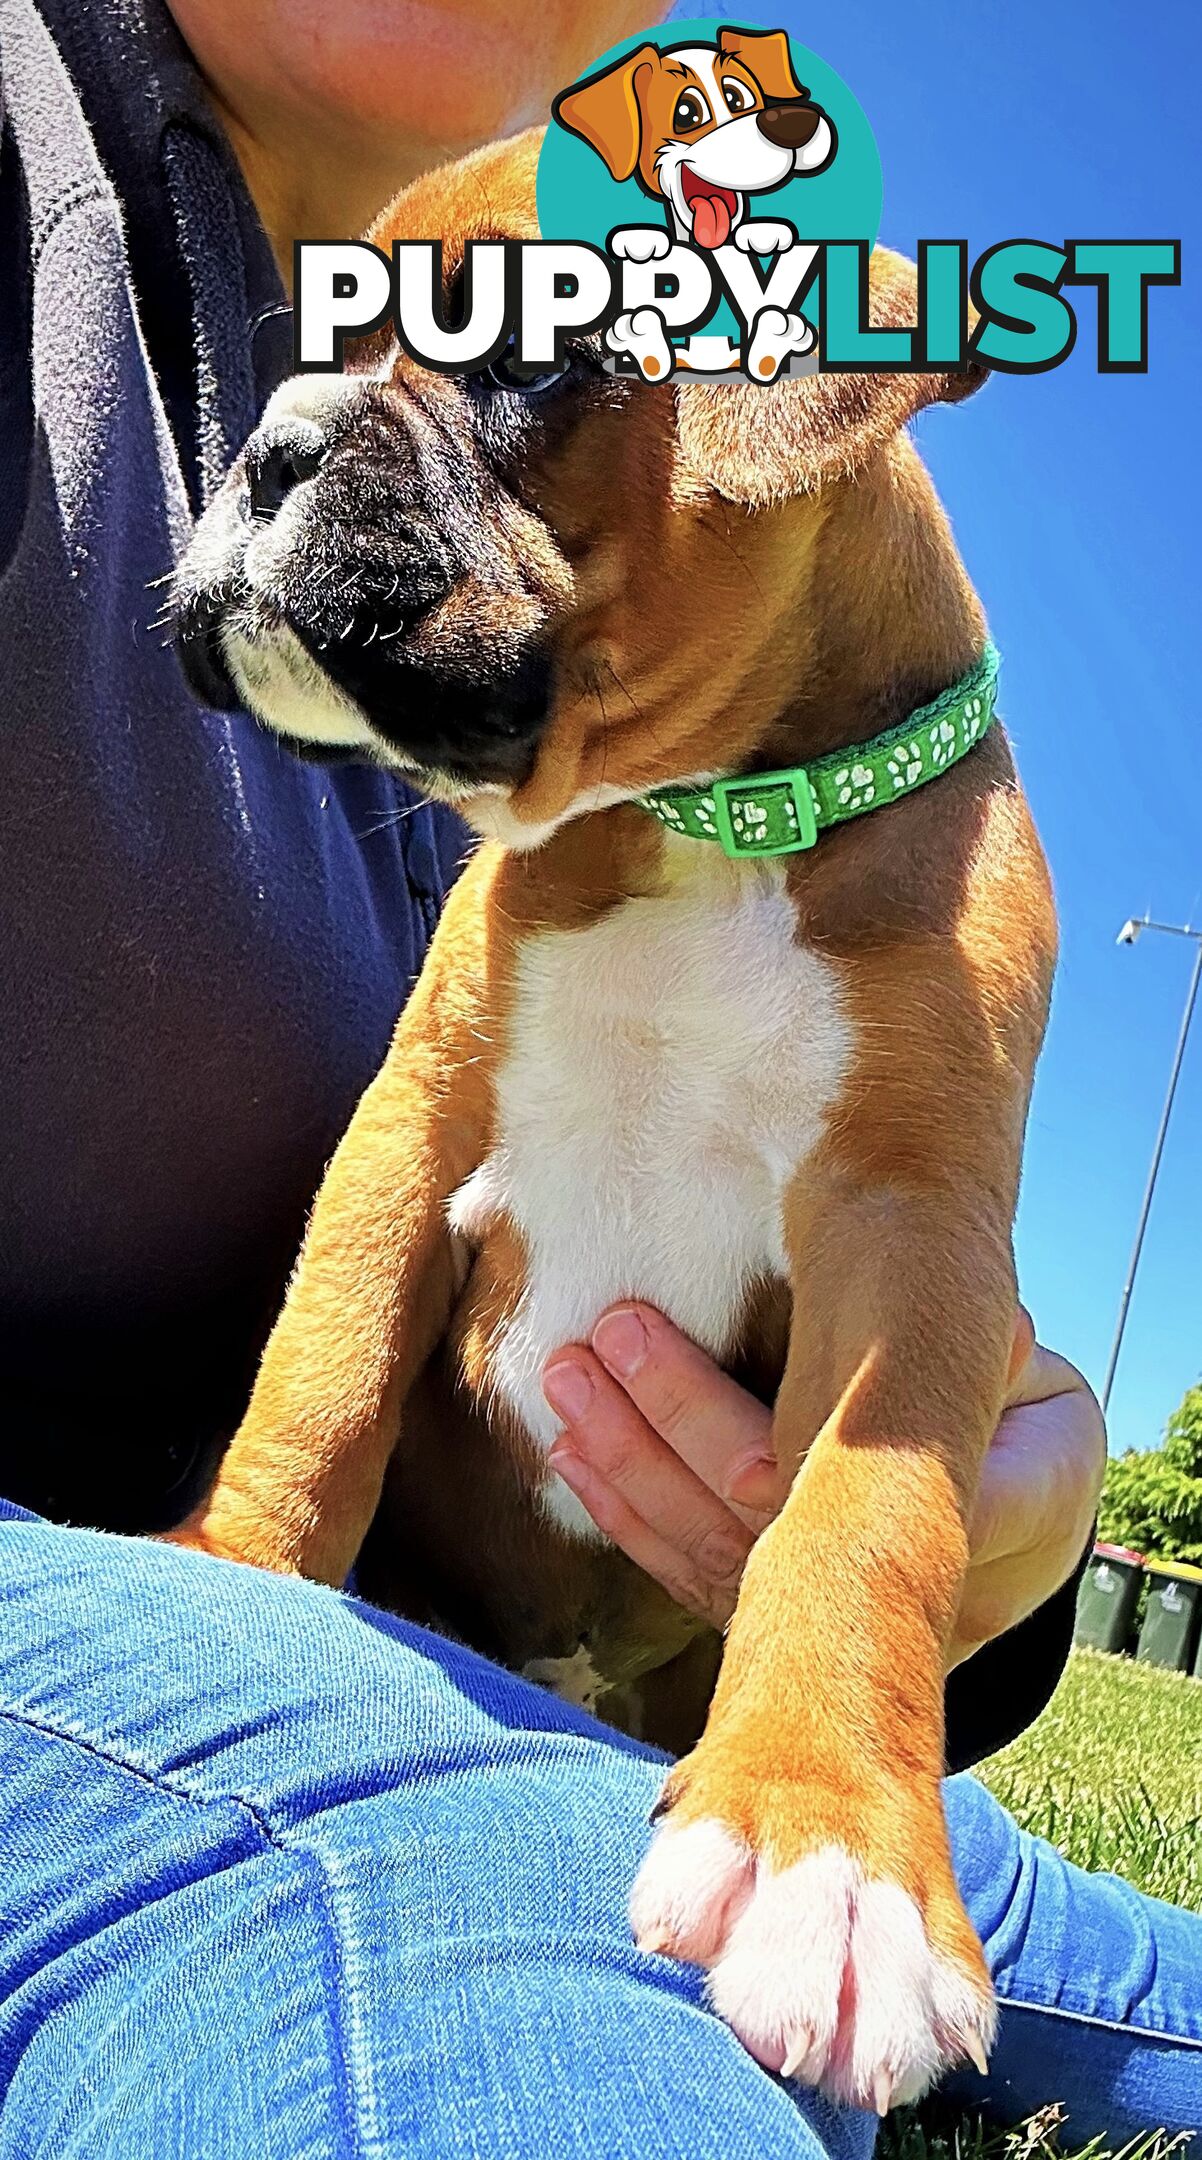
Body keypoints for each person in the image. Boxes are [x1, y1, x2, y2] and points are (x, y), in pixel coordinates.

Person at [0, 2, 1197, 2153]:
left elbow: (909, 1261)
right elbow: (410, 1153)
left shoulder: (730, 813)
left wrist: (915, 1620)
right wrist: (257, 1556)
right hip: (276, 1666)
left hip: (670, 1697)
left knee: (1103, 1961)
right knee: (495, 1961)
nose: (323, 452)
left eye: (513, 379)